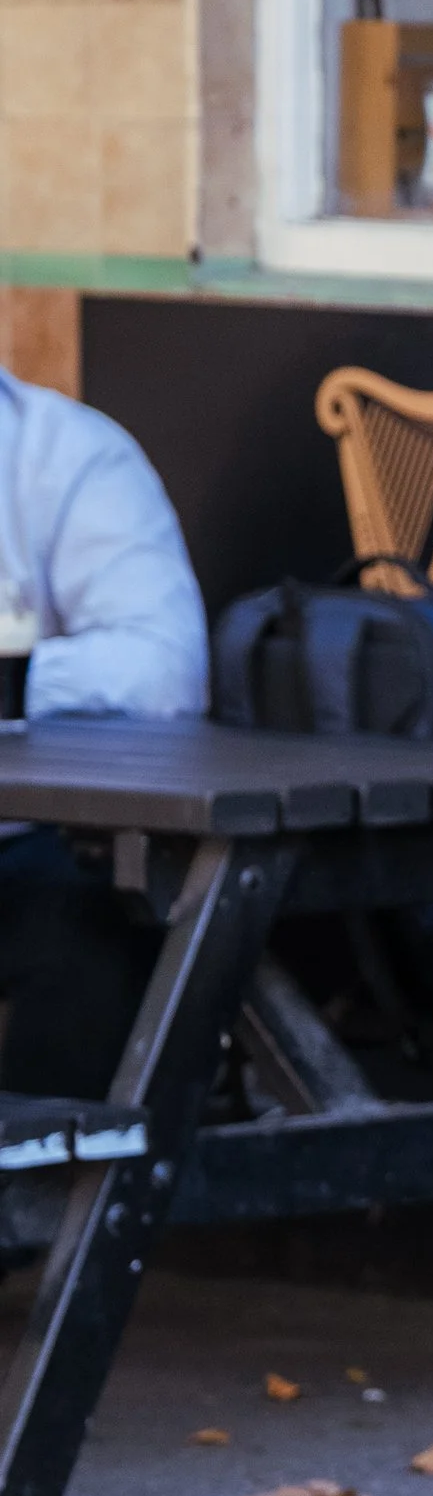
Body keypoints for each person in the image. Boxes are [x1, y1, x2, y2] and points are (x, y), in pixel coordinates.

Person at [0, 368, 206, 1101]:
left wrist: (19, 679)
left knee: (100, 930)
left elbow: (164, 669)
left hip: (26, 842)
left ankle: (42, 1209)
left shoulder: (67, 453)